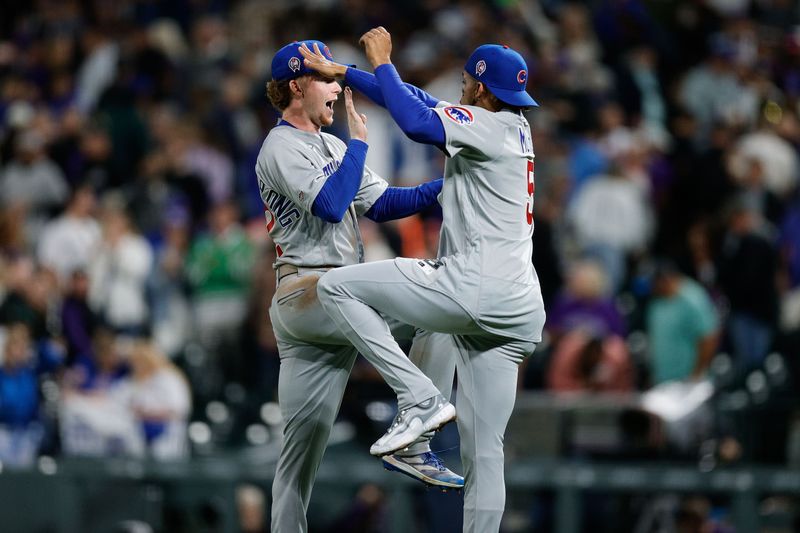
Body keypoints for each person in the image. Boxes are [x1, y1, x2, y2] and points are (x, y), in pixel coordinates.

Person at [301, 28, 546, 532]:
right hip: (518, 304)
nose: (459, 92)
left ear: (480, 90)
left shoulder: (484, 126)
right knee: (486, 453)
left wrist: (383, 60)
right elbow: (417, 100)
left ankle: (420, 400)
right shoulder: (512, 126)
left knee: (336, 287)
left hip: (475, 285)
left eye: (464, 84)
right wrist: (345, 73)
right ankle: (424, 426)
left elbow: (413, 120)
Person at [258, 40, 463, 533]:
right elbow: (330, 204)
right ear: (296, 86)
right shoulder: (280, 146)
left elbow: (387, 203)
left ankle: (416, 426)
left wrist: (453, 183)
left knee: (297, 461)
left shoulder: (332, 145)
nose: (338, 86)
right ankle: (419, 407)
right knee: (440, 299)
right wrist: (361, 145)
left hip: (335, 299)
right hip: (306, 291)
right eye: (327, 79)